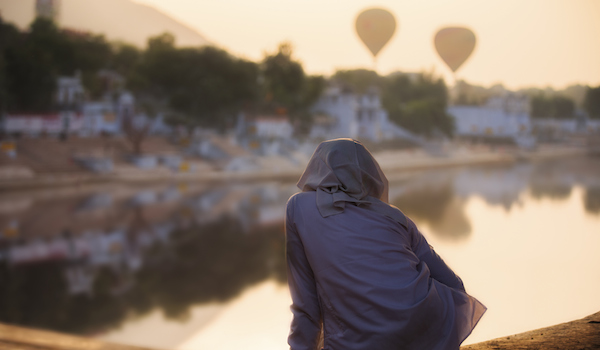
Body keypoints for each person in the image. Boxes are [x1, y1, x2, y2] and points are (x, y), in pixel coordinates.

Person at [285, 138, 486, 350]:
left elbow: (306, 305)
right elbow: (453, 284)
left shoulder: (299, 207)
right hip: (418, 322)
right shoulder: (395, 217)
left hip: (355, 341)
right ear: (371, 175)